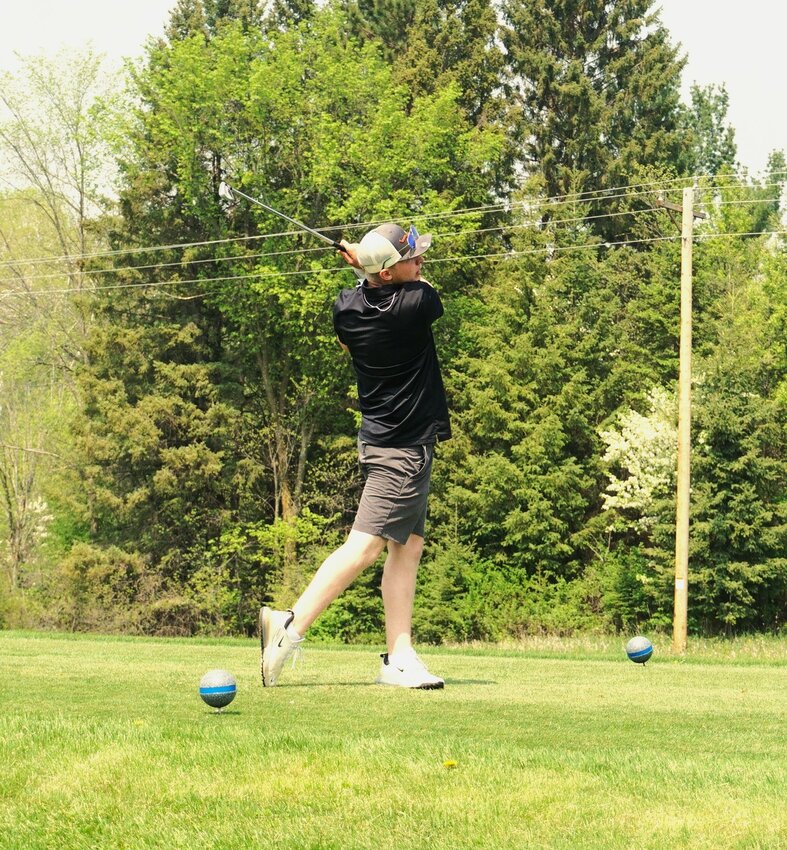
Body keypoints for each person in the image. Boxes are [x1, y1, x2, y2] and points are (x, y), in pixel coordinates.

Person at [259, 221, 451, 690]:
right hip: (403, 450)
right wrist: (367, 265)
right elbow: (424, 289)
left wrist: (369, 271)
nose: (421, 261)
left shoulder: (346, 309)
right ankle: (290, 626)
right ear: (386, 273)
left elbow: (362, 311)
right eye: (411, 256)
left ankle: (398, 656)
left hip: (381, 440)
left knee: (407, 546)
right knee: (364, 547)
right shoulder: (418, 304)